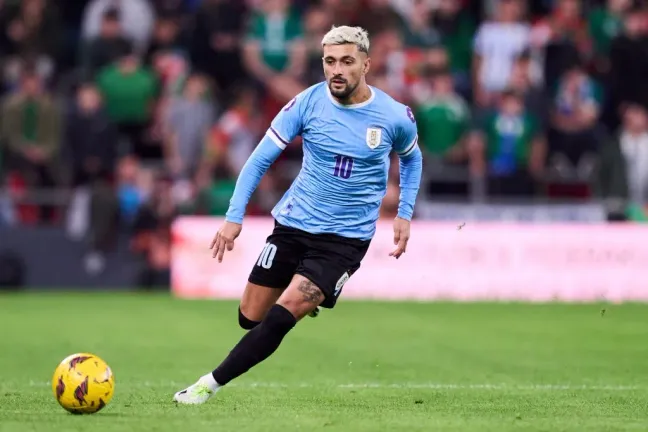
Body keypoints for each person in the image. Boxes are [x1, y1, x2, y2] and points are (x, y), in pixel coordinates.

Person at [173, 25, 423, 404]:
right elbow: (259, 159)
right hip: (292, 225)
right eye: (329, 61)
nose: (336, 70)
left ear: (366, 64)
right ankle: (307, 285)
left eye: (346, 61)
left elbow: (411, 158)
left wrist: (404, 212)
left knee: (282, 315)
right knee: (250, 315)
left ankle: (207, 385)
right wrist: (233, 216)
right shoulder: (306, 103)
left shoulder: (393, 116)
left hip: (344, 241)